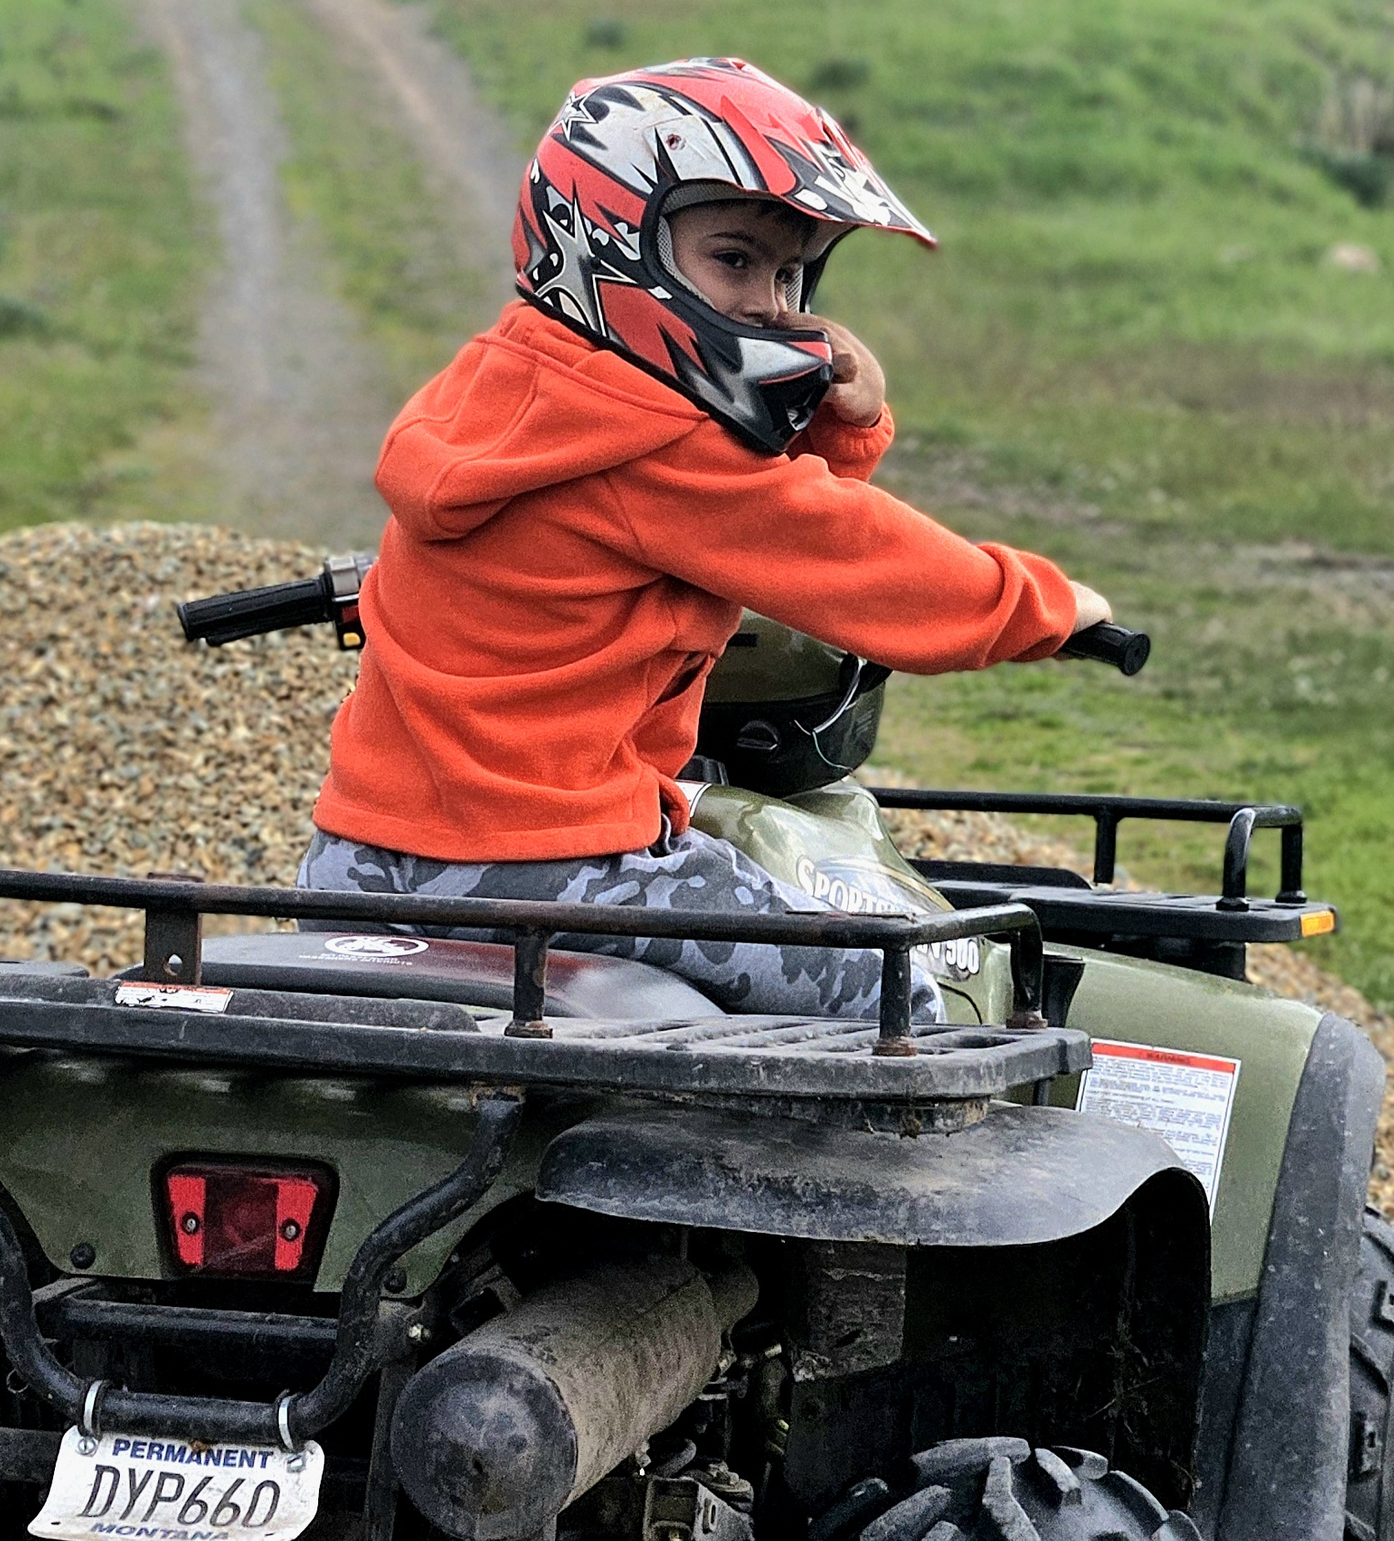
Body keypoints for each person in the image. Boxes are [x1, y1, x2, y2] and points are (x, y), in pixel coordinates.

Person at [298, 55, 1111, 1021]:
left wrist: (834, 426)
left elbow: (747, 525)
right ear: (611, 236)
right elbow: (844, 555)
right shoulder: (657, 436)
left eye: (789, 270)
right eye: (735, 259)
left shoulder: (501, 387)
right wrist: (1046, 608)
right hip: (548, 865)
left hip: (352, 861)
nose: (772, 301)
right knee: (894, 989)